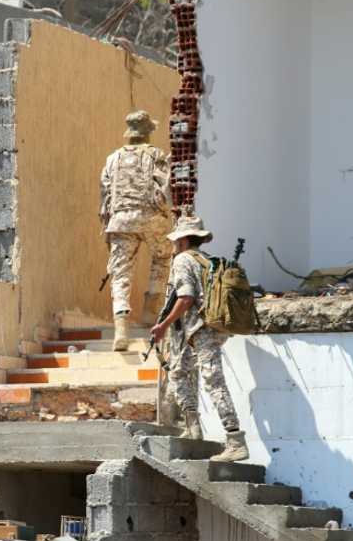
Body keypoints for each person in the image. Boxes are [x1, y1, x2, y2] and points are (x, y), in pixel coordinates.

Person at [149, 215, 248, 463]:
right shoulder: (205, 260)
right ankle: (193, 428)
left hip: (201, 330)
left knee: (212, 379)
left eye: (175, 240)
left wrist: (163, 325)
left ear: (182, 240)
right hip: (202, 330)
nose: (174, 245)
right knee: (179, 371)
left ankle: (235, 440)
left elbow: (186, 298)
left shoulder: (183, 260)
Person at [100, 110, 174, 351]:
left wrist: (107, 227)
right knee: (162, 257)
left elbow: (105, 196)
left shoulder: (112, 159)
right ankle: (150, 314)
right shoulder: (156, 155)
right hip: (152, 218)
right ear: (148, 132)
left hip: (120, 221)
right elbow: (164, 189)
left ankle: (121, 327)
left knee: (120, 273)